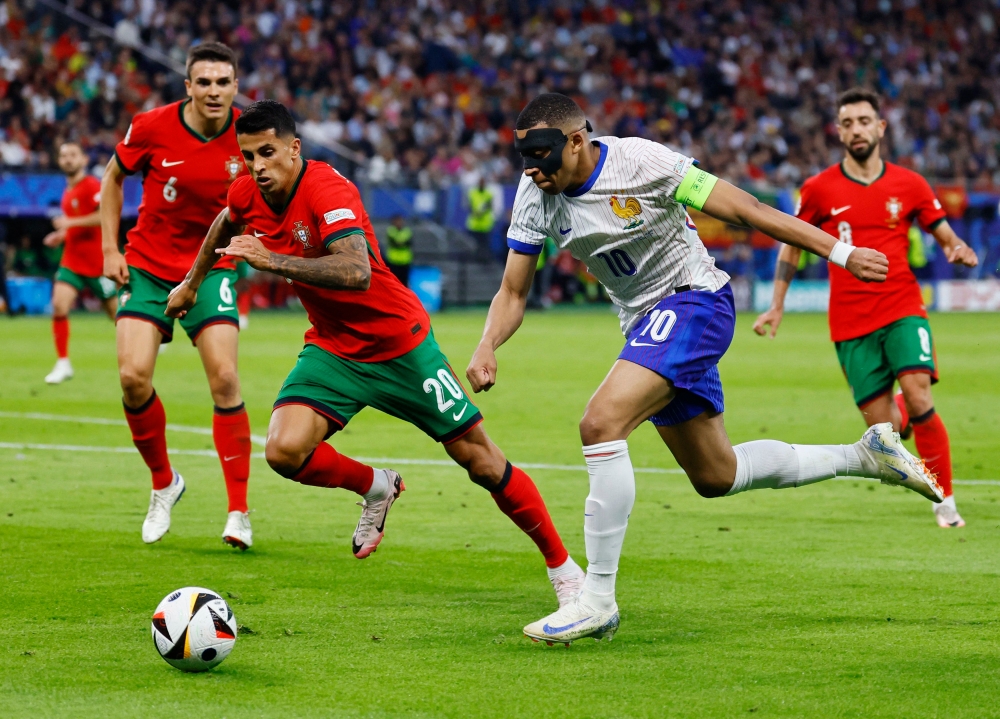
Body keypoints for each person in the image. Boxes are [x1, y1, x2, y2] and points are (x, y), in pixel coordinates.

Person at [466, 93, 943, 645]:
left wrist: (838, 253)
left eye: (542, 155)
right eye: (523, 156)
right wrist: (487, 344)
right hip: (647, 323)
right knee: (716, 475)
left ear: (577, 141)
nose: (532, 169)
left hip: (696, 302)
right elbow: (513, 290)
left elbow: (748, 211)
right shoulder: (535, 193)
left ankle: (594, 599)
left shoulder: (643, 162)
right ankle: (865, 455)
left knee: (600, 424)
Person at [165, 100, 585, 608]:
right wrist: (191, 283)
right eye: (248, 155)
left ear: (294, 149)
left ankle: (564, 571)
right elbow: (225, 223)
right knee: (283, 451)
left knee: (480, 461)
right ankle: (377, 486)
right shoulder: (248, 192)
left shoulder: (327, 189)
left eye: (268, 153)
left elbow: (355, 270)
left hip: (399, 343)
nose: (257, 166)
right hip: (334, 347)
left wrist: (274, 260)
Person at [754, 88, 979, 529]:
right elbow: (792, 247)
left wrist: (956, 247)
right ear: (839, 132)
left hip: (902, 305)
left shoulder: (910, 183)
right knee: (886, 435)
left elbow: (942, 230)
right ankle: (902, 413)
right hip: (849, 322)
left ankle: (945, 500)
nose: (855, 129)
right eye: (847, 123)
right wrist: (776, 305)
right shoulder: (819, 189)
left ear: (880, 127)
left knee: (920, 393)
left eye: (863, 121)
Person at [100, 42, 253, 549]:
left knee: (226, 378)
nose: (214, 90)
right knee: (132, 378)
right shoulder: (150, 126)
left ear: (235, 87)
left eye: (223, 82)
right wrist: (109, 249)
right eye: (204, 81)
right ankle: (164, 483)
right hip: (148, 264)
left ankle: (238, 512)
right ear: (187, 85)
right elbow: (113, 178)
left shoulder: (250, 135)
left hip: (212, 267)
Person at [42, 142, 118, 384]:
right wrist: (61, 236)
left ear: (84, 160)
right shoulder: (68, 191)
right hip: (72, 261)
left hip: (97, 263)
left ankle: (147, 341)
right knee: (59, 304)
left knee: (117, 315)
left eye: (72, 155)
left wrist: (68, 224)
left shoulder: (92, 186)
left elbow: (103, 215)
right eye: (63, 155)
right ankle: (63, 363)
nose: (67, 159)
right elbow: (74, 224)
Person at [465, 176, 495, 255]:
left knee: (484, 248)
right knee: (472, 247)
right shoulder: (472, 193)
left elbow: (489, 206)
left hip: (485, 226)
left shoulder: (488, 194)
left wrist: (480, 213)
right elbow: (469, 206)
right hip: (474, 225)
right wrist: (475, 213)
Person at [384, 214, 413, 288]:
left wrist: (399, 242)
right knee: (393, 282)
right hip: (393, 260)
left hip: (405, 261)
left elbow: (408, 243)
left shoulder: (407, 231)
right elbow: (395, 243)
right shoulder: (391, 230)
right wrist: (401, 243)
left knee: (404, 283)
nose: (399, 223)